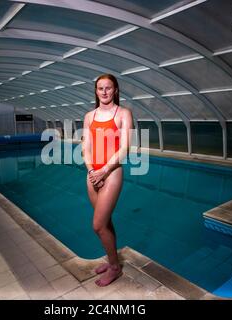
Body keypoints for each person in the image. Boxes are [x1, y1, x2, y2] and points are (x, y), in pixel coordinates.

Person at [82, 74, 133, 286]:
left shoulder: (123, 113)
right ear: (96, 91)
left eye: (108, 88)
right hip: (92, 174)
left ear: (115, 90)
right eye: (100, 88)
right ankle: (113, 261)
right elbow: (86, 147)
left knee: (98, 224)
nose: (104, 92)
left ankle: (114, 268)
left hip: (111, 172)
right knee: (106, 222)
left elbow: (125, 148)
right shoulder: (89, 116)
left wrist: (103, 171)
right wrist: (92, 171)